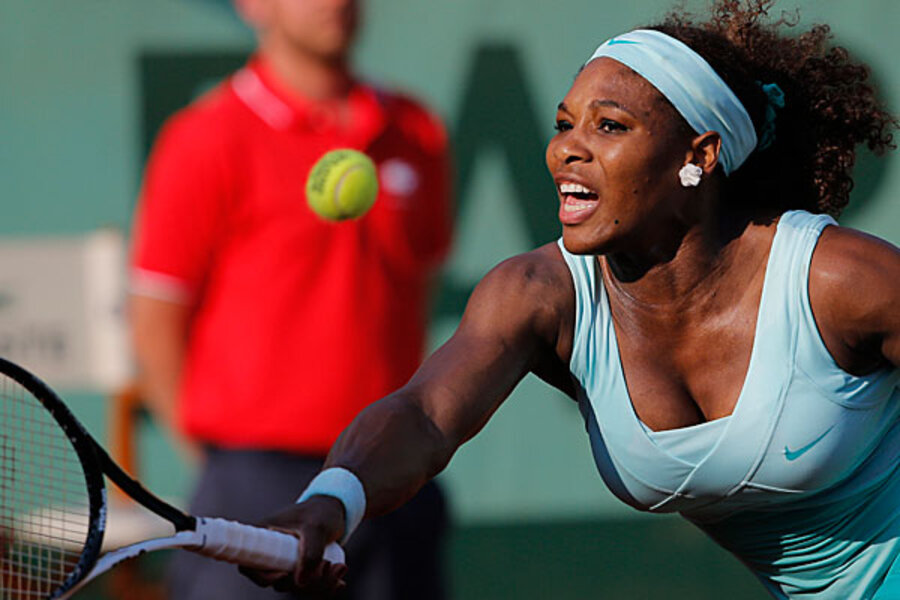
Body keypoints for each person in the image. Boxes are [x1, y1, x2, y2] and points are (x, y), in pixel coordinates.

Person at [238, 0, 900, 598]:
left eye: (609, 126)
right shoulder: (539, 296)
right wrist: (332, 499)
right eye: (564, 123)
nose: (566, 151)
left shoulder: (838, 280)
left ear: (697, 156)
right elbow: (428, 414)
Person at [128, 0, 454, 598]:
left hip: (390, 475)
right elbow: (155, 321)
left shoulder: (417, 130)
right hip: (253, 482)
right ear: (253, 6)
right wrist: (218, 464)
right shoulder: (204, 138)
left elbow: (421, 287)